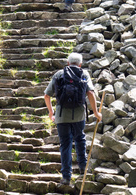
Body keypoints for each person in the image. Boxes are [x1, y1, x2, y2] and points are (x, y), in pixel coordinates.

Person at [44, 53, 102, 185]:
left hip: (61, 115)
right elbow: (91, 93)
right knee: (80, 138)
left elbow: (46, 96)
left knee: (65, 144)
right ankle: (83, 168)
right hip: (79, 114)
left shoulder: (59, 74)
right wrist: (96, 113)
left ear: (68, 63)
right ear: (80, 64)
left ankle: (66, 177)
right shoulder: (84, 73)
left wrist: (51, 112)